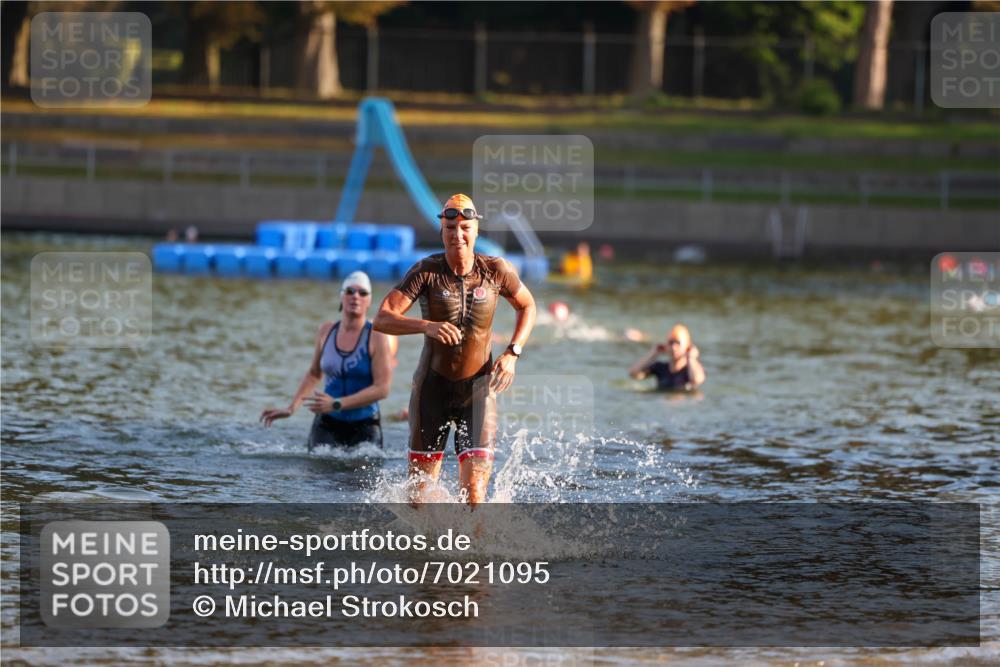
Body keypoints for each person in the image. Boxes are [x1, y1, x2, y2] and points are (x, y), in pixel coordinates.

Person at [373, 194, 536, 507]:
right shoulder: (426, 271)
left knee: (474, 496)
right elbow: (382, 318)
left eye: (464, 227)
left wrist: (513, 352)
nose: (457, 234)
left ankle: (470, 555)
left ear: (476, 230)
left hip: (478, 392)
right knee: (418, 500)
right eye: (450, 227)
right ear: (441, 231)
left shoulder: (496, 270)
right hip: (431, 390)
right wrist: (426, 326)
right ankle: (422, 554)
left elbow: (527, 306)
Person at [260, 271, 393, 449]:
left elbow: (382, 389)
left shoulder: (377, 335)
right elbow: (314, 373)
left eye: (362, 293)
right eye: (349, 291)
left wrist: (337, 404)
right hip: (327, 422)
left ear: (369, 301)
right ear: (341, 297)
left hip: (365, 424)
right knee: (318, 473)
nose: (355, 296)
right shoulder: (326, 331)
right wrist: (291, 408)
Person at [629, 323, 705, 391]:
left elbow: (697, 380)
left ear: (687, 347)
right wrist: (653, 354)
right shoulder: (660, 368)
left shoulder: (689, 370)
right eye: (671, 343)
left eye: (678, 343)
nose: (673, 347)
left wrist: (691, 358)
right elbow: (634, 374)